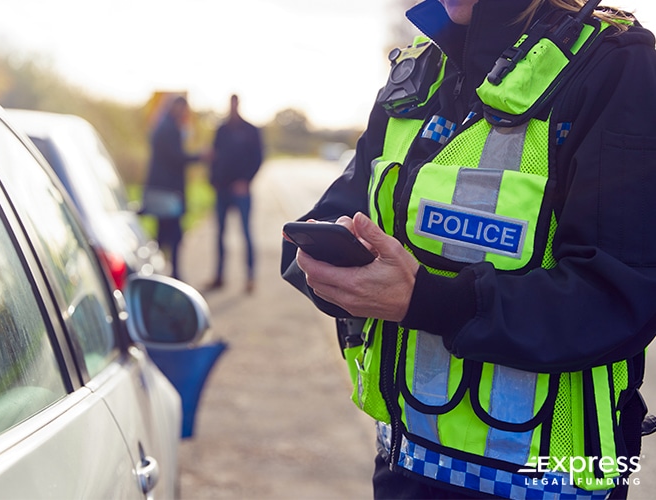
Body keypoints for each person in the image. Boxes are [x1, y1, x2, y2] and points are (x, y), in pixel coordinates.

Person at [281, 0, 656, 498]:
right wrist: (335, 276)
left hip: (552, 484)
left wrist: (424, 301)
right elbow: (334, 217)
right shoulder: (418, 70)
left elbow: (620, 297)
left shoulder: (616, 65)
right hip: (404, 466)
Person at [206, 94, 264, 293]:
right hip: (222, 189)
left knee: (246, 233)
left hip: (241, 191)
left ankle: (250, 277)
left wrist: (246, 181)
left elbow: (258, 159)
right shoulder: (221, 129)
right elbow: (214, 155)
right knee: (220, 234)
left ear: (238, 104)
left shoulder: (251, 131)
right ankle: (219, 276)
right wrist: (212, 180)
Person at [143, 95, 201, 280]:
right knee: (172, 236)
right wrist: (199, 157)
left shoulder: (163, 125)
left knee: (164, 234)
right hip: (168, 192)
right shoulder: (170, 128)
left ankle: (160, 273)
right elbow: (176, 157)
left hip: (162, 190)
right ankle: (171, 275)